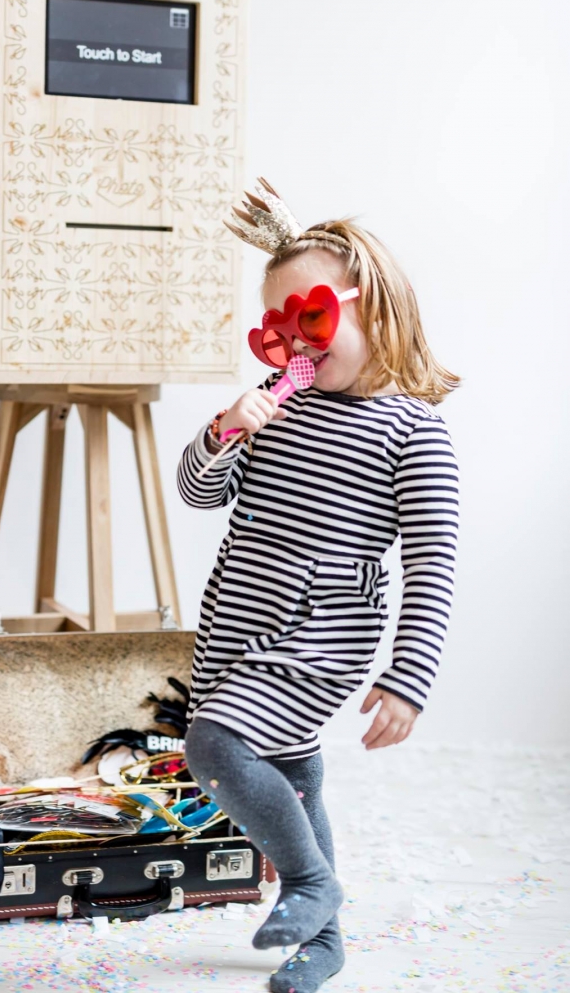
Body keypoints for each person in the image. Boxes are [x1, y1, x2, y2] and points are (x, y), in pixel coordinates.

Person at [176, 190, 460, 993]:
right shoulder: (278, 403)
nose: (293, 342)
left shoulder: (413, 431)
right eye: (277, 326)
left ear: (371, 305)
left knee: (214, 747)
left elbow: (433, 563)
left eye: (310, 317)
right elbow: (198, 493)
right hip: (237, 624)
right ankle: (323, 940)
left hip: (321, 633)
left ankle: (308, 883)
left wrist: (410, 678)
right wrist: (225, 431)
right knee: (290, 769)